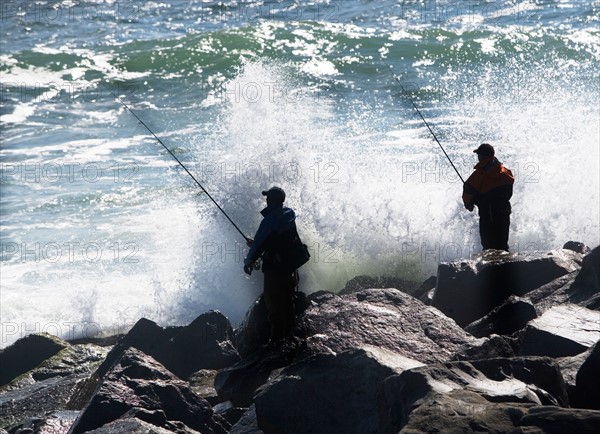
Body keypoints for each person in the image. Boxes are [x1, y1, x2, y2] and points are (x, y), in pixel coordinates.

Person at [243, 186, 299, 341]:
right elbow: (276, 241)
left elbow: (258, 245)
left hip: (274, 269)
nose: (266, 200)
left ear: (271, 200)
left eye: (268, 198)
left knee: (273, 304)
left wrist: (248, 262)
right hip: (289, 266)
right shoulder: (289, 215)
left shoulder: (269, 221)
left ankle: (277, 342)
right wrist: (260, 244)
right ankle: (290, 334)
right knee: (288, 300)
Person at [462, 143, 515, 251]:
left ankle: (490, 266)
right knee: (502, 243)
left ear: (483, 156)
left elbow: (468, 191)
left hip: (488, 213)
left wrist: (470, 205)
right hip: (504, 212)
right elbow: (508, 192)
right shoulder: (505, 171)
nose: (478, 158)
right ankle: (505, 265)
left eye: (478, 155)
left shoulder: (479, 174)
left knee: (488, 245)